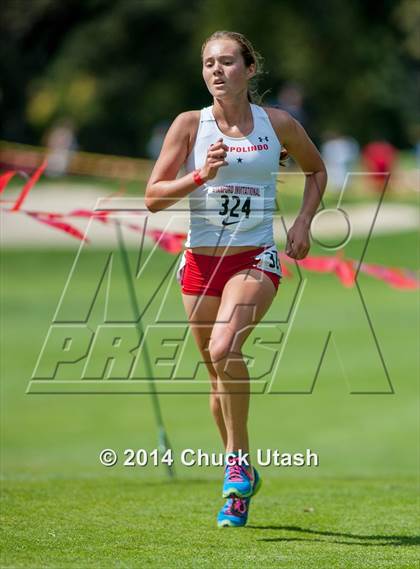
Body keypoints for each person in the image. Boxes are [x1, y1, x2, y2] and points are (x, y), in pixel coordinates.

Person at [145, 30, 327, 528]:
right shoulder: (188, 126)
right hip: (201, 264)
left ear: (250, 69)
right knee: (217, 376)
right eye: (208, 64)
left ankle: (237, 467)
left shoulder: (279, 125)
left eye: (227, 62)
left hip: (254, 257)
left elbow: (315, 171)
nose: (216, 71)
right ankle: (239, 485)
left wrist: (304, 221)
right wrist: (199, 176)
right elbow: (153, 196)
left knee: (226, 350)